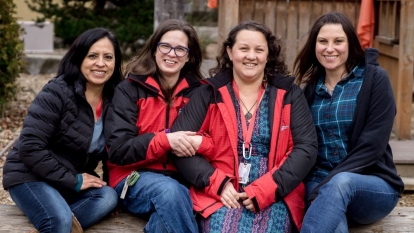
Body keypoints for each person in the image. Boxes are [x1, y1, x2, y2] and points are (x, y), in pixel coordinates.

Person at [170, 21, 318, 233]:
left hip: (275, 194)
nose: (251, 56)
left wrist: (268, 188)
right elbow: (178, 145)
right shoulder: (208, 93)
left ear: (268, 55)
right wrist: (216, 183)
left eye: (259, 50)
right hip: (221, 195)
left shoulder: (288, 94)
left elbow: (306, 148)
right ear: (230, 52)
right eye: (244, 48)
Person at [2, 27, 123, 233]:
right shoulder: (57, 92)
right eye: (92, 56)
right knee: (58, 219)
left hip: (67, 178)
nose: (101, 63)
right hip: (29, 175)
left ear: (116, 62)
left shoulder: (115, 100)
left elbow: (114, 153)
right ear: (79, 58)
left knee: (107, 196)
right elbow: (30, 148)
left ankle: (52, 223)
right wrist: (73, 181)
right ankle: (55, 221)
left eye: (108, 57)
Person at [293, 12, 405, 232]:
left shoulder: (374, 79)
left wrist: (326, 186)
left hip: (372, 186)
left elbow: (372, 147)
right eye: (322, 41)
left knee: (341, 183)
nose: (329, 48)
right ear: (314, 46)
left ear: (350, 43)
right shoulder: (309, 92)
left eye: (338, 41)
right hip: (319, 184)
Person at [104, 19, 203, 233]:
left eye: (180, 49)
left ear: (189, 56)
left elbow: (213, 139)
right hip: (133, 178)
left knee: (164, 220)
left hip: (184, 180)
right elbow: (118, 150)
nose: (172, 53)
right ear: (154, 49)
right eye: (165, 46)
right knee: (170, 193)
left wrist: (200, 142)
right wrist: (165, 140)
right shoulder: (129, 90)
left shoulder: (200, 93)